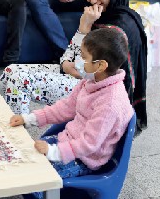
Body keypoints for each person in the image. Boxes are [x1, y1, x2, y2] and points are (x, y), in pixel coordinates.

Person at [0, 0, 147, 134]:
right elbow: (67, 59)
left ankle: (17, 141)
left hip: (98, 93)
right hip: (81, 81)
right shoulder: (95, 17)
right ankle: (10, 133)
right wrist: (82, 31)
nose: (92, 0)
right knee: (9, 72)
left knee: (18, 80)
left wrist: (83, 32)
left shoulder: (119, 25)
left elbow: (87, 72)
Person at [10, 28, 134, 199]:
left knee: (37, 179)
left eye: (84, 58)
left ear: (101, 65)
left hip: (85, 159)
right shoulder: (91, 80)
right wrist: (30, 119)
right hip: (68, 142)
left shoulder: (110, 103)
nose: (78, 62)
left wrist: (54, 152)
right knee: (22, 155)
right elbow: (65, 107)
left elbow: (89, 144)